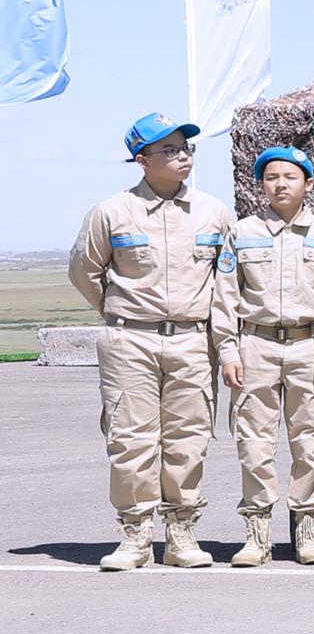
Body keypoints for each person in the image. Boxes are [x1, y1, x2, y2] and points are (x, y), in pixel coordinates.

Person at [72, 114, 234, 571]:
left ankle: (181, 531)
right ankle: (135, 535)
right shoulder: (112, 212)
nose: (183, 156)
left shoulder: (213, 212)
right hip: (130, 340)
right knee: (131, 438)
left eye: (186, 148)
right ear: (142, 160)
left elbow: (227, 282)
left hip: (192, 340)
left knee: (189, 438)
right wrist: (120, 313)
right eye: (170, 149)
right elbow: (84, 271)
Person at [216, 146, 314, 567]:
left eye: (290, 177)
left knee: (310, 440)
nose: (280, 185)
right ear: (261, 185)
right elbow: (225, 297)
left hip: (310, 346)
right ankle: (257, 535)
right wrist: (228, 350)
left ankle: (308, 529)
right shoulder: (243, 232)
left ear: (308, 183)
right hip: (256, 344)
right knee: (254, 441)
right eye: (271, 177)